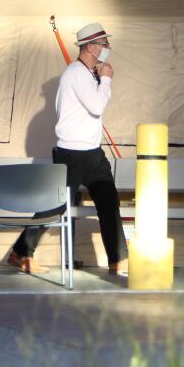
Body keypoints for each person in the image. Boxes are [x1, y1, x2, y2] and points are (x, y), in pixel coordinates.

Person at [9, 22, 129, 275]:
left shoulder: (88, 75)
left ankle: (118, 260)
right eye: (104, 44)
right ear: (90, 47)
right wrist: (106, 81)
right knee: (53, 206)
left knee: (109, 203)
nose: (108, 48)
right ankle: (21, 254)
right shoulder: (75, 73)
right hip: (72, 155)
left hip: (93, 154)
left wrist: (100, 78)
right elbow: (96, 106)